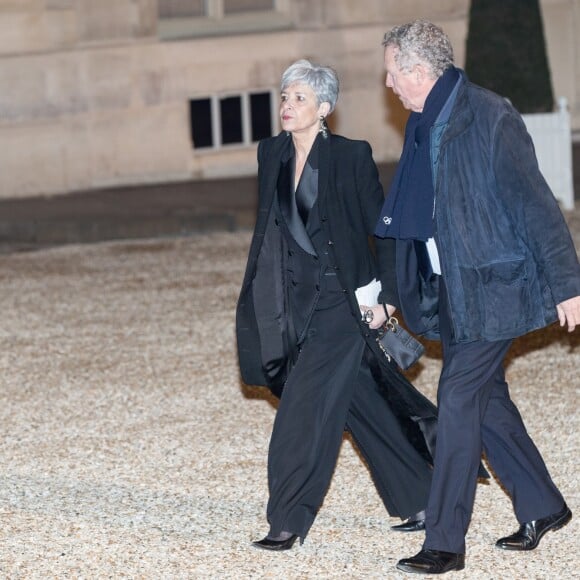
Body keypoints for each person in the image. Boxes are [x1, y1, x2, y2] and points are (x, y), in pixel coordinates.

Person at [375, 20, 580, 575]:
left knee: (460, 399)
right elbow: (414, 223)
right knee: (487, 400)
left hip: (495, 289)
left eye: (392, 73)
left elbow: (536, 204)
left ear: (418, 71)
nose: (388, 84)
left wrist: (568, 284)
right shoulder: (423, 125)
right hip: (450, 288)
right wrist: (391, 292)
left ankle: (445, 540)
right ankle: (543, 505)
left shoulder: (489, 115)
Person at [236, 59, 440, 551]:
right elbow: (274, 234)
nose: (288, 106)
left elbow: (382, 231)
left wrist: (388, 300)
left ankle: (287, 519)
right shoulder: (271, 154)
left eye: (300, 98)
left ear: (324, 108)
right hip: (295, 307)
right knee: (360, 401)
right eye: (285, 97)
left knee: (302, 411)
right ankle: (423, 499)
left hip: (342, 305)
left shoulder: (350, 157)